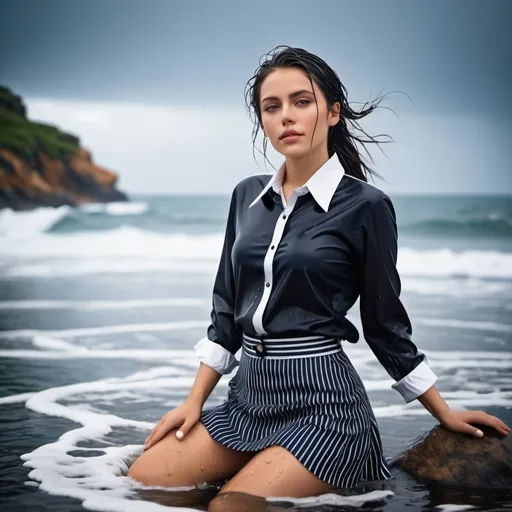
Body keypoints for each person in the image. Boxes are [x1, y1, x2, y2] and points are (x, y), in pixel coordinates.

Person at [128, 45, 510, 503]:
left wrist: (442, 412)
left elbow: (385, 325)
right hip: (248, 401)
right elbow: (226, 311)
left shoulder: (366, 207)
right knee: (144, 479)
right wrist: (193, 403)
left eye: (301, 102)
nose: (286, 116)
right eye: (272, 107)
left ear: (332, 112)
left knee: (228, 505)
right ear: (263, 122)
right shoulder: (246, 197)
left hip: (325, 409)